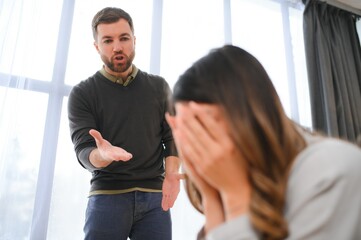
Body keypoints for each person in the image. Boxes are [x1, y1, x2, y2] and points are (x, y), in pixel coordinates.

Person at [165, 45, 361, 240]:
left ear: (247, 114)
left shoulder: (333, 172)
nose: (196, 144)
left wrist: (234, 196)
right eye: (187, 132)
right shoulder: (243, 181)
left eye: (202, 127)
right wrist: (211, 199)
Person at [68, 7, 182, 240]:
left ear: (134, 40)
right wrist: (103, 155)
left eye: (124, 38)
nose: (117, 47)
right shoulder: (83, 93)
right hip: (107, 196)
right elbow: (83, 150)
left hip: (154, 199)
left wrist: (171, 175)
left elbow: (172, 137)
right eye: (108, 40)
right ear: (97, 46)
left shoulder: (159, 87)